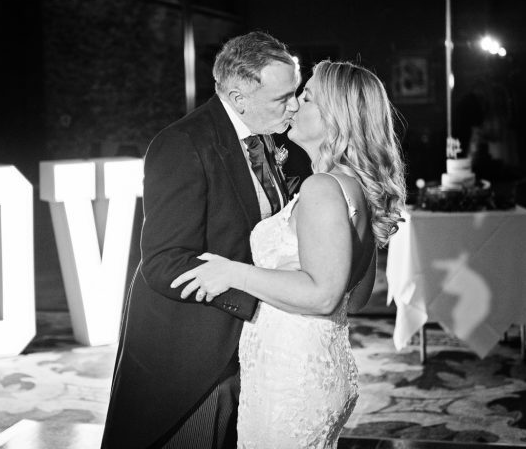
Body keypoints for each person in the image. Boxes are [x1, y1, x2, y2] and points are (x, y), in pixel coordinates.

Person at [171, 60, 406, 448]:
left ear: (338, 119)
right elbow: (356, 298)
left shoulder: (323, 189)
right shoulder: (356, 189)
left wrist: (232, 272)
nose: (294, 105)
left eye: (307, 97)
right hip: (321, 368)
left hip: (290, 378)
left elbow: (323, 295)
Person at [101, 31, 300, 448]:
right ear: (239, 96)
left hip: (246, 342)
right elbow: (163, 263)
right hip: (190, 351)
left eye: (295, 93)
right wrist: (252, 294)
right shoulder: (182, 145)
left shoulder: (261, 134)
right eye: (283, 98)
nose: (294, 106)